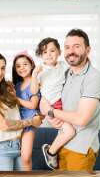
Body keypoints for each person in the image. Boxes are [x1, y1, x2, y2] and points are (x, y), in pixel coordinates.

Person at [39, 29, 100, 173]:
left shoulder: (93, 78)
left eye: (76, 46)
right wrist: (49, 114)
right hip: (62, 144)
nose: (71, 51)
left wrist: (51, 111)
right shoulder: (65, 73)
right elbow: (50, 95)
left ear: (87, 50)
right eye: (68, 47)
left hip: (81, 148)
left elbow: (81, 119)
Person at [30, 37, 76, 169]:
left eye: (52, 51)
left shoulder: (63, 65)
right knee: (70, 131)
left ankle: (54, 151)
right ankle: (51, 152)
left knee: (66, 130)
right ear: (41, 55)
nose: (48, 54)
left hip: (61, 104)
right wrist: (34, 75)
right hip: (50, 105)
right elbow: (34, 91)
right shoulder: (40, 70)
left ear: (59, 52)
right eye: (44, 52)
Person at [12, 51, 41, 171]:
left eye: (25, 64)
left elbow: (33, 104)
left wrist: (16, 99)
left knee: (26, 157)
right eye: (18, 66)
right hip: (17, 122)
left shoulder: (34, 83)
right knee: (17, 156)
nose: (21, 68)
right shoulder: (17, 85)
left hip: (29, 122)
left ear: (32, 65)